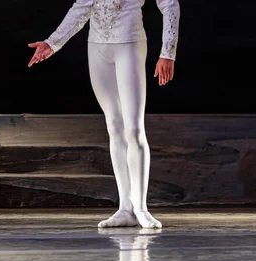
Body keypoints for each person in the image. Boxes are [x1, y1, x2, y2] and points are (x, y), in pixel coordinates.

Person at [28, 0, 180, 229]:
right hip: (97, 47)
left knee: (134, 128)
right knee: (114, 126)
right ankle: (124, 208)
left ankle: (141, 208)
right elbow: (81, 7)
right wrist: (52, 43)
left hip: (129, 42)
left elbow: (170, 5)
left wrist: (167, 52)